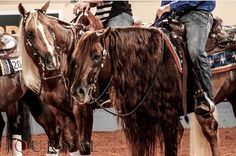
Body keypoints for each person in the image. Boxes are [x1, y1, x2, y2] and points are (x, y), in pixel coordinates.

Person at [156, 1, 216, 116]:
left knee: (195, 52)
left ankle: (207, 98)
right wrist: (158, 19)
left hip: (198, 14)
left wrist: (169, 7)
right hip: (174, 16)